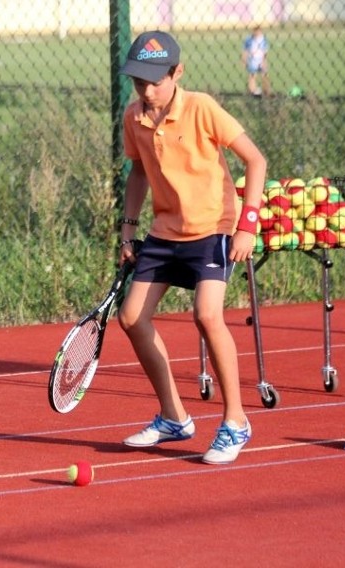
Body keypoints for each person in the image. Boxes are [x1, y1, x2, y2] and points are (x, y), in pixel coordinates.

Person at [116, 31, 267, 465]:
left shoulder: (201, 108)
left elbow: (255, 160)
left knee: (205, 314)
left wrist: (247, 226)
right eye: (138, 82)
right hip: (165, 232)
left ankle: (236, 421)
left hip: (213, 229)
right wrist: (128, 231)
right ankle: (173, 417)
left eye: (155, 81)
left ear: (177, 73)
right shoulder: (134, 117)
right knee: (131, 318)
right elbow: (139, 174)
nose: (146, 91)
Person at [242, 26, 270, 96]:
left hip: (261, 59)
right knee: (252, 76)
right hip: (252, 60)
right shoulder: (249, 39)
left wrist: (264, 61)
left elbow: (265, 52)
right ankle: (252, 91)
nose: (256, 32)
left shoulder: (263, 39)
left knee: (265, 75)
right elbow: (245, 50)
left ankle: (266, 91)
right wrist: (244, 60)